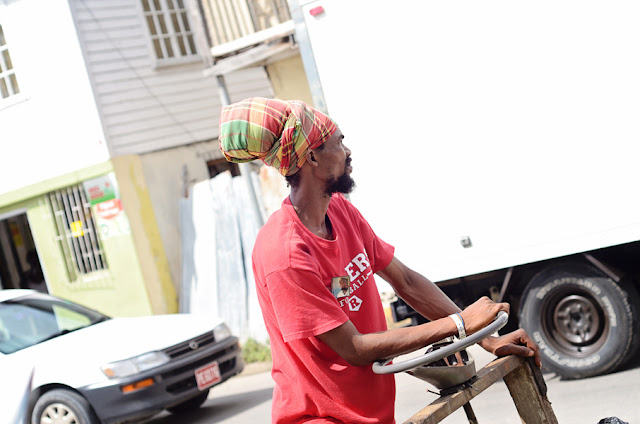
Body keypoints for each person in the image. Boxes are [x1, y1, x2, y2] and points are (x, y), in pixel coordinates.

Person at [219, 97, 540, 424]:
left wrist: (488, 339)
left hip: (372, 414)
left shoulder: (339, 211)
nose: (348, 151)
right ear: (312, 157)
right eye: (339, 142)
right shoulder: (284, 253)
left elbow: (407, 282)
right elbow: (353, 348)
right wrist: (459, 324)